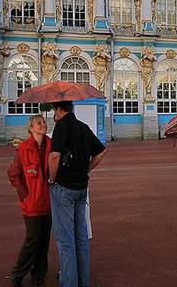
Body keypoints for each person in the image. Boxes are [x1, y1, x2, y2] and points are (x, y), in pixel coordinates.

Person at [47, 101, 107, 287]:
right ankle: (83, 281)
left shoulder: (61, 127)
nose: (53, 114)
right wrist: (85, 170)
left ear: (58, 109)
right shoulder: (83, 127)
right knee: (80, 237)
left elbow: (54, 156)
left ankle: (69, 282)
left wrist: (51, 179)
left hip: (64, 188)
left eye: (53, 110)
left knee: (65, 240)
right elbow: (101, 152)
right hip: (81, 189)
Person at [7, 115, 53, 287]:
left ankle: (38, 274)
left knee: (44, 241)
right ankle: (17, 273)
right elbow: (13, 173)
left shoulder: (51, 145)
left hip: (48, 203)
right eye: (38, 123)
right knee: (32, 240)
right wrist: (24, 193)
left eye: (43, 122)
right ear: (31, 128)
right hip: (31, 204)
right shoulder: (23, 149)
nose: (43, 125)